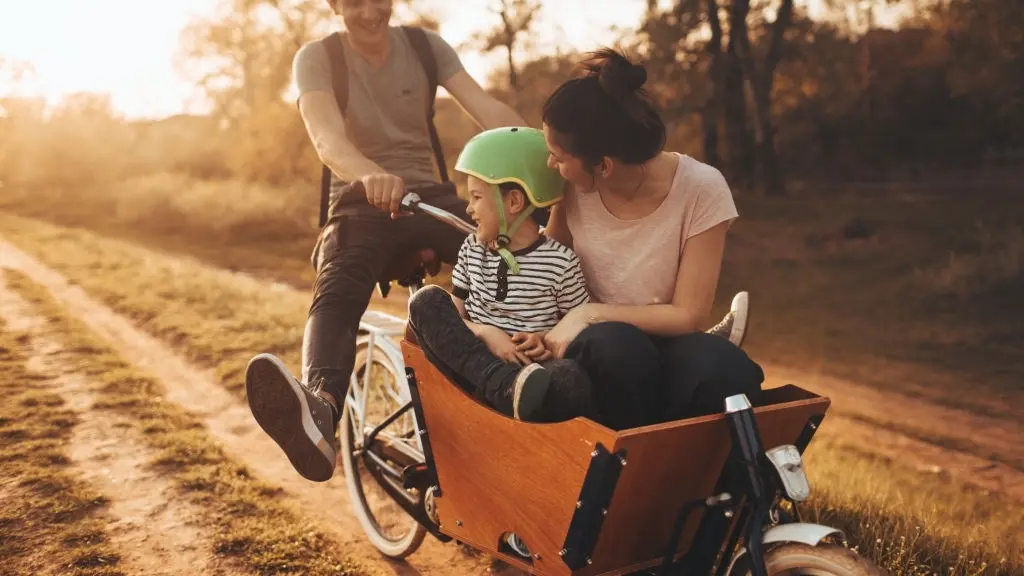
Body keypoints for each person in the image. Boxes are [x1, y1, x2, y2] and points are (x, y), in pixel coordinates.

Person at [243, 0, 529, 483]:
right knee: (340, 282)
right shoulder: (318, 58)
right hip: (360, 196)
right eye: (354, 2)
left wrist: (539, 152)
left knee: (506, 262)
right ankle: (321, 409)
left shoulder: (424, 47)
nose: (370, 11)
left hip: (429, 193)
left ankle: (515, 383)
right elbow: (326, 138)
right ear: (335, 5)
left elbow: (489, 111)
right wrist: (372, 175)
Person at [535, 48, 763, 431]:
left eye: (558, 157)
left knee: (726, 369)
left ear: (604, 166)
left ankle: (725, 481)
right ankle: (632, 471)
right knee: (618, 348)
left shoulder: (701, 189)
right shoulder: (570, 189)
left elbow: (687, 314)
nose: (550, 165)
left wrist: (589, 313)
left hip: (663, 337)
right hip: (600, 349)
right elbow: (546, 270)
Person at [407, 126, 599, 424]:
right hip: (473, 366)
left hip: (530, 377)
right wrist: (486, 333)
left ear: (514, 202)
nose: (469, 208)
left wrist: (544, 342)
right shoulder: (472, 249)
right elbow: (455, 316)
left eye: (476, 197)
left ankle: (514, 397)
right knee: (426, 300)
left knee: (570, 377)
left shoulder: (560, 262)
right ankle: (501, 384)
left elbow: (576, 330)